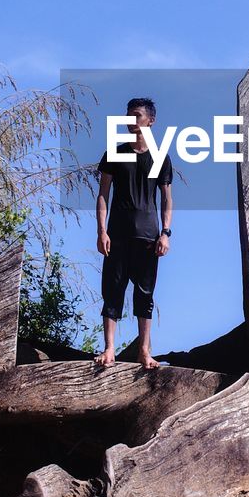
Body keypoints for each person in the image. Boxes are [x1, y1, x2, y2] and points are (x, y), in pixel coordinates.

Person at [95, 97, 173, 369]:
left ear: (150, 120)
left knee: (145, 293)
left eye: (137, 115)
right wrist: (101, 231)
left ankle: (144, 351)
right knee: (112, 290)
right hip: (116, 234)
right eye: (129, 115)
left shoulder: (160, 156)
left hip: (148, 238)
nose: (132, 120)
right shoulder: (114, 153)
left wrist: (165, 233)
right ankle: (109, 349)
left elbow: (166, 200)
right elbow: (103, 194)